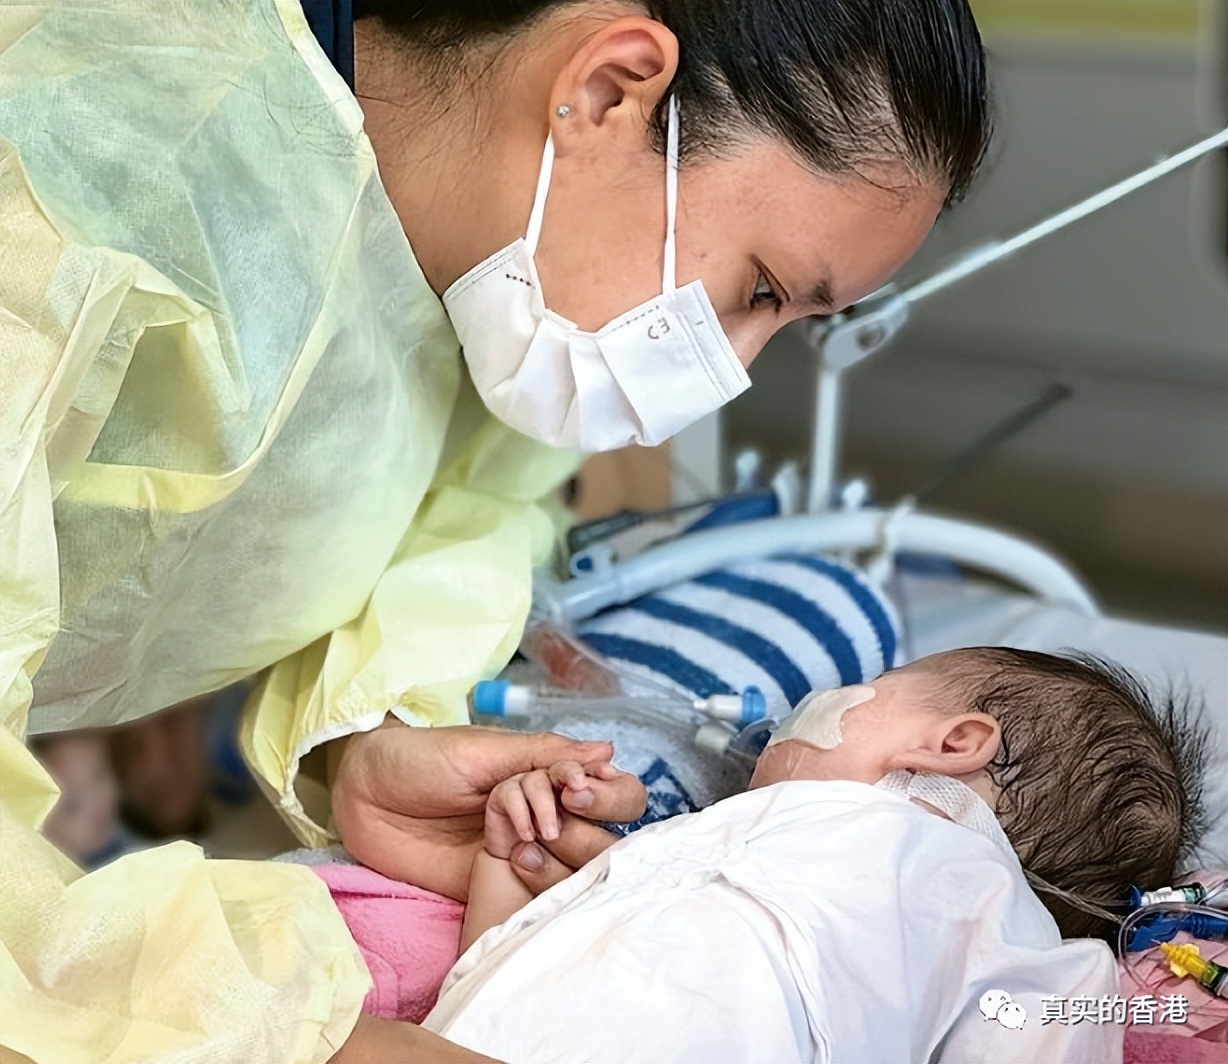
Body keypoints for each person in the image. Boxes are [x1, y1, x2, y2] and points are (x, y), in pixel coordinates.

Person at [0, 1, 990, 1060]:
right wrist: (272, 1037)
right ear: (605, 92)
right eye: (759, 289)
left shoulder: (482, 280)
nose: (734, 366)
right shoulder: (75, 187)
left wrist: (368, 737)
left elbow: (456, 514)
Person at [416, 648, 1205, 1061]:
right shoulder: (698, 837)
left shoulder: (972, 893)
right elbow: (497, 972)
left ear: (953, 745)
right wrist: (508, 852)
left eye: (877, 680)